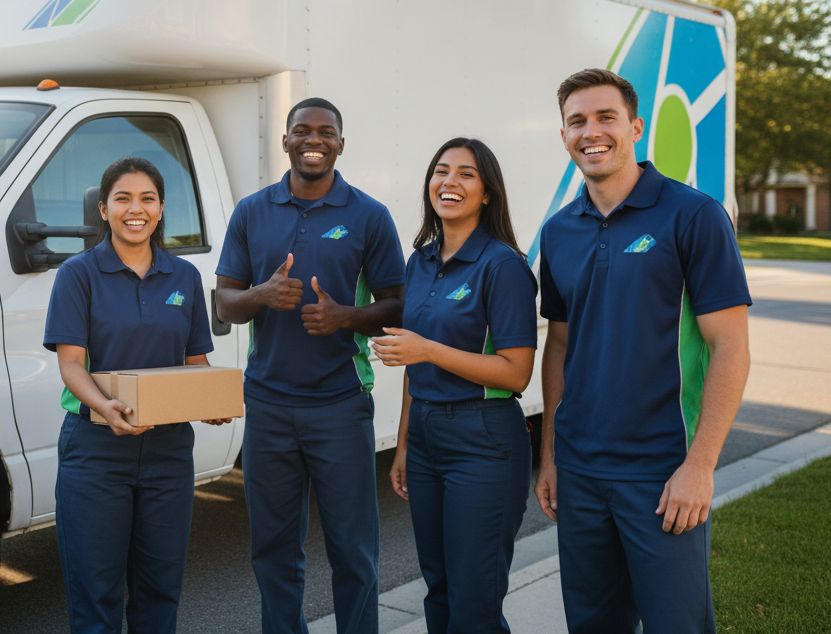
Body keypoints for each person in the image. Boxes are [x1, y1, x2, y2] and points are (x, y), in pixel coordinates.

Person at [535, 69, 752, 634]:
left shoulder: (692, 215)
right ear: (563, 137)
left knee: (676, 624)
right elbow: (559, 345)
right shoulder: (559, 231)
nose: (591, 132)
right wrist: (552, 456)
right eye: (576, 121)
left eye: (606, 117)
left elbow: (729, 345)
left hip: (662, 471)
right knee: (593, 624)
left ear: (634, 128)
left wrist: (699, 466)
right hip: (580, 471)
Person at [215, 97, 406, 634]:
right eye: (302, 131)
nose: (313, 140)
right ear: (286, 141)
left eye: (326, 132)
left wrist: (345, 315)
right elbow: (223, 304)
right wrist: (262, 294)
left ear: (340, 144)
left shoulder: (369, 215)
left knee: (354, 552)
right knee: (274, 552)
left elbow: (397, 304)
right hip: (269, 405)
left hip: (341, 404)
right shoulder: (252, 211)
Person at [44, 155, 229, 634]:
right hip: (97, 450)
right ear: (103, 209)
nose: (136, 209)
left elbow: (194, 363)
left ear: (162, 208)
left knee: (159, 593)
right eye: (123, 198)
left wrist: (210, 400)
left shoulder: (184, 277)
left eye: (147, 199)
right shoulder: (78, 274)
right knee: (96, 595)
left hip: (168, 452)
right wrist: (103, 405)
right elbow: (71, 364)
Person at [371, 137, 538, 634]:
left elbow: (516, 373)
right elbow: (409, 357)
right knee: (439, 590)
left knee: (474, 601)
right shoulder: (419, 260)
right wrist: (404, 445)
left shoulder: (503, 266)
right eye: (441, 171)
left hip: (483, 439)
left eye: (466, 174)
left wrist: (430, 350)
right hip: (425, 436)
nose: (450, 182)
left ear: (487, 193)